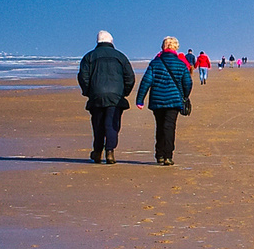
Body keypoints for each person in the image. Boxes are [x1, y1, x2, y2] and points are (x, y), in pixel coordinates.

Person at [78, 30, 134, 164]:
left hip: (96, 95)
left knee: (98, 125)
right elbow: (130, 77)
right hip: (115, 96)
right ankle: (110, 152)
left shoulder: (89, 57)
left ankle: (98, 152)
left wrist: (88, 91)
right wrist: (124, 92)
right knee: (112, 124)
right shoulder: (121, 57)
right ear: (111, 42)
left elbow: (83, 77)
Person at [136, 36, 193, 166]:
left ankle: (160, 154)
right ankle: (168, 156)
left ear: (163, 47)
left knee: (160, 127)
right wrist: (184, 96)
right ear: (175, 48)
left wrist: (140, 100)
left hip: (157, 100)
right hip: (174, 100)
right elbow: (188, 83)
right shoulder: (180, 64)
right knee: (169, 127)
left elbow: (146, 81)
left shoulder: (155, 63)